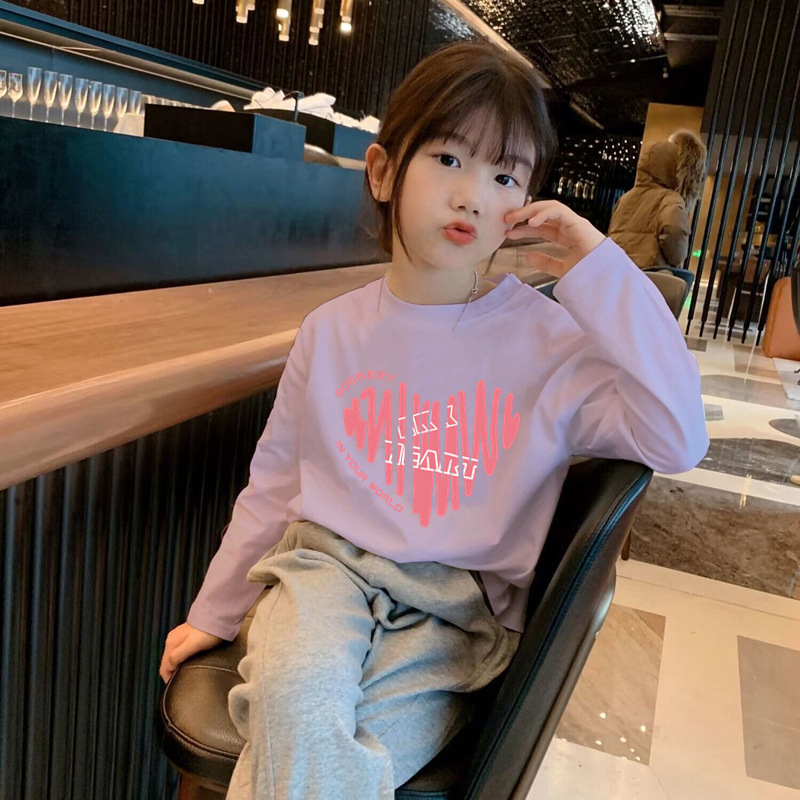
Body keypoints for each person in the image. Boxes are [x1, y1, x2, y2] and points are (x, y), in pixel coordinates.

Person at [159, 40, 710, 800]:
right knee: (299, 707)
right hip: (321, 573)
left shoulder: (550, 344)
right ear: (383, 173)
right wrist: (215, 613)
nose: (472, 195)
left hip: (455, 612)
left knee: (341, 763)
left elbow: (679, 438)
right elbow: (274, 486)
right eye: (449, 158)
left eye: (505, 176)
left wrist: (597, 263)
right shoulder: (331, 331)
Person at [608, 129, 707, 269]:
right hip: (649, 272)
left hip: (618, 269)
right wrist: (675, 258)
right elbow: (675, 240)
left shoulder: (625, 198)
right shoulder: (670, 200)